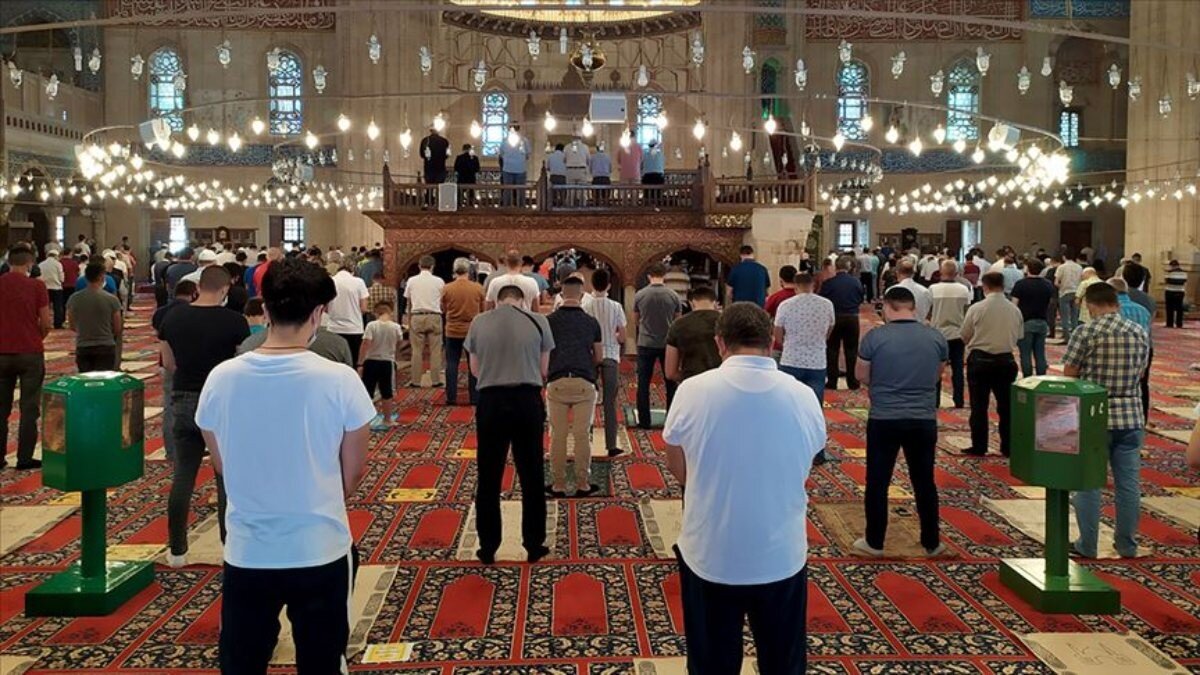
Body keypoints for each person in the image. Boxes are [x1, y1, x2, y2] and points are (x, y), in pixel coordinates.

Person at [194, 258, 373, 674]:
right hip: (319, 545)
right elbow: (352, 472)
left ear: (266, 309)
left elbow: (221, 464)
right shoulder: (340, 380)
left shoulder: (222, 377)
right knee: (322, 663)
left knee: (242, 662)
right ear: (318, 314)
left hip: (249, 548)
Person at [663, 302, 824, 675]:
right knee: (783, 665)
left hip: (711, 553)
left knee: (711, 665)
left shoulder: (692, 390)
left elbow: (677, 466)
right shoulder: (803, 395)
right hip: (781, 554)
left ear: (720, 343)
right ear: (772, 341)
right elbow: (806, 464)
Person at [158, 265, 251, 567]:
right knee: (225, 476)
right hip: (222, 402)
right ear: (225, 289)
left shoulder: (173, 318)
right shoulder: (234, 321)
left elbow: (168, 363)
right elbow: (241, 364)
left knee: (184, 474)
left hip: (184, 398)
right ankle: (229, 546)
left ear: (198, 288)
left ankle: (177, 550)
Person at [853, 287, 949, 557]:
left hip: (885, 417)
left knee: (878, 481)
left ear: (887, 307)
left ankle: (874, 542)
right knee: (924, 480)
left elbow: (861, 375)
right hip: (923, 418)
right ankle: (932, 542)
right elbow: (937, 374)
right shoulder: (935, 337)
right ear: (913, 307)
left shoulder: (875, 337)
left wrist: (884, 383)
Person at [465, 284, 555, 564]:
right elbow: (544, 369)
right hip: (527, 400)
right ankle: (533, 544)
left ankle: (488, 546)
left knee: (489, 474)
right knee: (532, 473)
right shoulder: (539, 322)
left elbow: (474, 369)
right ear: (523, 300)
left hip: (491, 402)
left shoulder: (479, 322)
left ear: (496, 300)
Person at [1064, 282, 1149, 558]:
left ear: (1090, 305)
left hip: (1094, 415)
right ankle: (1127, 545)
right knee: (1128, 485)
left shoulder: (1086, 332)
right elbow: (1141, 373)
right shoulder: (1138, 331)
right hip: (1131, 415)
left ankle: (1087, 544)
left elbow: (1070, 375)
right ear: (1116, 303)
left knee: (1089, 483)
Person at [545, 277, 603, 497]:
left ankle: (558, 484)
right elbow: (599, 356)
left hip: (557, 381)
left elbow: (544, 354)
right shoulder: (591, 322)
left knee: (558, 435)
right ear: (581, 295)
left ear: (561, 294)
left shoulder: (549, 321)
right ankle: (582, 483)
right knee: (582, 435)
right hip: (583, 382)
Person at [774, 272, 835, 465]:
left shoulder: (786, 305)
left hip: (791, 360)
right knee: (815, 409)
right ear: (814, 285)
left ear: (795, 286)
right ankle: (817, 453)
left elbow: (777, 334)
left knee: (787, 407)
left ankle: (786, 448)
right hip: (817, 362)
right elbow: (829, 330)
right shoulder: (826, 304)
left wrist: (789, 344)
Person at [960, 272, 1023, 458]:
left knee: (979, 406)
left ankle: (979, 446)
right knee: (1006, 407)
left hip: (981, 361)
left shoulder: (977, 308)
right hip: (1006, 361)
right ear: (1002, 286)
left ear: (985, 286)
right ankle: (1008, 447)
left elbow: (964, 335)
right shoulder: (1014, 310)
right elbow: (1019, 335)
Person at [0, 245, 51, 470]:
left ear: (9, 262)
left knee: (1, 409)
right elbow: (46, 322)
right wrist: (36, 337)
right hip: (30, 352)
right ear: (29, 263)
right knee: (29, 409)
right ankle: (24, 458)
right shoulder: (36, 286)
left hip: (1, 352)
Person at [634, 262, 683, 428]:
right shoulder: (673, 295)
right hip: (667, 343)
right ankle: (671, 420)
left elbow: (636, 319)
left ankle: (644, 421)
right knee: (670, 382)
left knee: (643, 383)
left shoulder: (640, 295)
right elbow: (678, 321)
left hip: (645, 342)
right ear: (664, 276)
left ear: (649, 276)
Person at [585, 268, 627, 456]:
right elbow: (623, 336)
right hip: (610, 355)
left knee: (588, 400)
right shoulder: (616, 306)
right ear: (609, 285)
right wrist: (614, 339)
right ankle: (611, 445)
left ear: (591, 285)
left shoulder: (586, 306)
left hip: (591, 356)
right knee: (610, 401)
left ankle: (586, 442)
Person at [928, 260, 971, 407]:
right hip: (957, 333)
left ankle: (935, 401)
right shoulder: (963, 289)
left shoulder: (933, 289)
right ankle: (959, 400)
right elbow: (967, 311)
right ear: (956, 273)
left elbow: (929, 311)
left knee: (936, 369)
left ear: (941, 272)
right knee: (958, 369)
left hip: (938, 333)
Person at [66, 262, 124, 373]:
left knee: (86, 380)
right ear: (101, 277)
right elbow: (117, 327)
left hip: (83, 345)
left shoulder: (74, 299)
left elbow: (72, 325)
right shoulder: (112, 299)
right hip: (106, 345)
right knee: (104, 380)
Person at [443, 258, 485, 406]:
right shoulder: (478, 288)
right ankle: (475, 397)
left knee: (451, 363)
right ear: (469, 270)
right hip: (472, 330)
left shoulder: (447, 288)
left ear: (455, 270)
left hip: (452, 330)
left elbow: (443, 308)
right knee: (474, 364)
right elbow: (483, 311)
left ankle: (451, 397)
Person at [818, 254, 864, 390]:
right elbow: (860, 298)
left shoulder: (829, 283)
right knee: (851, 350)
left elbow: (822, 300)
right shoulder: (856, 282)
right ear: (848, 267)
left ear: (835, 267)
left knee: (832, 349)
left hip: (834, 318)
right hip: (852, 318)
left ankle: (832, 381)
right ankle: (852, 381)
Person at [1120, 264, 1156, 424]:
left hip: (1123, 345)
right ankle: (1142, 418)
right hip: (1145, 346)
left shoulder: (1118, 298)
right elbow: (1150, 322)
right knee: (1143, 383)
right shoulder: (1149, 300)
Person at [404, 256, 445, 388]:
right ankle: (436, 380)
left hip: (417, 315)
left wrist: (409, 319)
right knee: (435, 350)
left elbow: (409, 302)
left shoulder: (412, 280)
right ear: (432, 266)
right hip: (434, 316)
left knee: (416, 350)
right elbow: (442, 301)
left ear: (419, 266)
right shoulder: (439, 281)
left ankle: (415, 381)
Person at [361, 301, 405, 427]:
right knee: (387, 392)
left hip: (371, 361)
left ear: (376, 313)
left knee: (367, 391)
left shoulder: (371, 325)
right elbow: (400, 343)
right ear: (390, 312)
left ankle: (364, 420)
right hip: (387, 361)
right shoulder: (395, 327)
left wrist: (360, 362)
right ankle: (387, 419)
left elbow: (366, 344)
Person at [1011, 258, 1056, 377]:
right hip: (1042, 321)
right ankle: (1041, 377)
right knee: (1040, 353)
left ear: (1028, 268)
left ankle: (1028, 379)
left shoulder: (1021, 284)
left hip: (1026, 322)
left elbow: (1014, 305)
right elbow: (1050, 302)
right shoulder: (1048, 284)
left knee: (1025, 353)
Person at [665, 287, 721, 383]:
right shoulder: (728, 322)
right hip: (720, 381)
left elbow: (670, 373)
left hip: (691, 381)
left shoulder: (678, 324)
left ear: (691, 303)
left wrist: (687, 379)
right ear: (715, 302)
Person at [328, 262, 371, 366]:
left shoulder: (330, 281)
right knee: (352, 360)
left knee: (335, 361)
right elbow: (364, 308)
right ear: (352, 272)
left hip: (334, 328)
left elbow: (324, 307)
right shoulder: (359, 282)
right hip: (354, 328)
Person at [499, 125, 530, 207]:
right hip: (520, 169)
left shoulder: (505, 141)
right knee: (521, 189)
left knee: (507, 189)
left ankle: (507, 207)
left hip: (507, 168)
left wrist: (508, 159)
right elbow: (527, 155)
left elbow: (501, 154)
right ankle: (521, 207)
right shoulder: (524, 140)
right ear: (519, 129)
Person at [1054, 252, 1083, 340]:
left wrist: (1062, 286)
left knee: (1065, 316)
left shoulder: (1061, 267)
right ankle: (1075, 336)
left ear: (1064, 257)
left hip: (1065, 292)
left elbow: (1056, 282)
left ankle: (1066, 336)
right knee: (1075, 316)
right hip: (1076, 292)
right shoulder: (1079, 267)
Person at [39, 250, 65, 329]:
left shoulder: (41, 264)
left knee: (45, 307)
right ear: (56, 256)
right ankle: (58, 324)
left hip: (45, 288)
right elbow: (61, 278)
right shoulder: (58, 264)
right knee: (57, 307)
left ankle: (45, 323)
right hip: (56, 288)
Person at [1164, 259, 1187, 328]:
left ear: (1172, 266)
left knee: (1169, 308)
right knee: (1179, 308)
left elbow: (1167, 281)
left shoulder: (1169, 273)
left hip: (1170, 291)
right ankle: (1179, 324)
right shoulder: (1184, 273)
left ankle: (1169, 324)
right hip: (1180, 291)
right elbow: (1183, 281)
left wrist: (1172, 280)